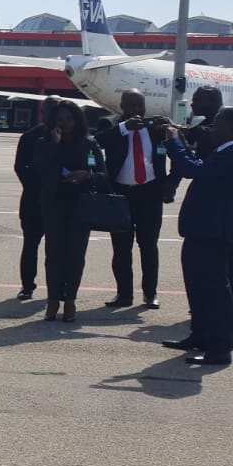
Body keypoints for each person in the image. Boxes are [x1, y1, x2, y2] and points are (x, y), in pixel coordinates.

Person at [162, 107, 233, 366]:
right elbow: (199, 167)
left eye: (216, 125)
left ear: (231, 128)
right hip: (202, 229)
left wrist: (174, 142)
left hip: (213, 232)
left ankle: (220, 348)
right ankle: (200, 335)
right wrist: (181, 142)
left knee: (215, 292)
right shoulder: (226, 152)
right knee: (197, 286)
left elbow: (192, 170)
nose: (211, 130)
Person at [33, 101, 108, 322]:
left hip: (80, 204)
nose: (64, 123)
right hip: (53, 204)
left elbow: (104, 175)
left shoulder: (89, 144)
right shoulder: (44, 143)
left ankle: (70, 300)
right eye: (60, 119)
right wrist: (54, 146)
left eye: (69, 119)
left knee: (75, 255)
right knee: (54, 254)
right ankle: (53, 300)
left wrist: (87, 175)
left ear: (77, 121)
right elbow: (39, 169)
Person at [97, 89, 169, 310]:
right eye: (132, 105)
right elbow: (96, 142)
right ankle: (124, 294)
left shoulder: (155, 127)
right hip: (121, 194)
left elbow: (177, 148)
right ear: (122, 106)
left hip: (150, 193)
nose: (137, 110)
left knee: (148, 246)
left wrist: (171, 182)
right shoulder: (110, 124)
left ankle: (150, 293)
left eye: (141, 105)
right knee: (121, 247)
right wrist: (124, 128)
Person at [13, 96, 60, 300]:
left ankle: (56, 285)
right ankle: (27, 285)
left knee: (57, 248)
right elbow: (19, 167)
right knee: (30, 245)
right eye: (49, 110)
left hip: (60, 199)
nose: (52, 114)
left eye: (56, 110)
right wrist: (35, 187)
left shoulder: (71, 137)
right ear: (43, 112)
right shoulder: (30, 136)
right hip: (34, 198)